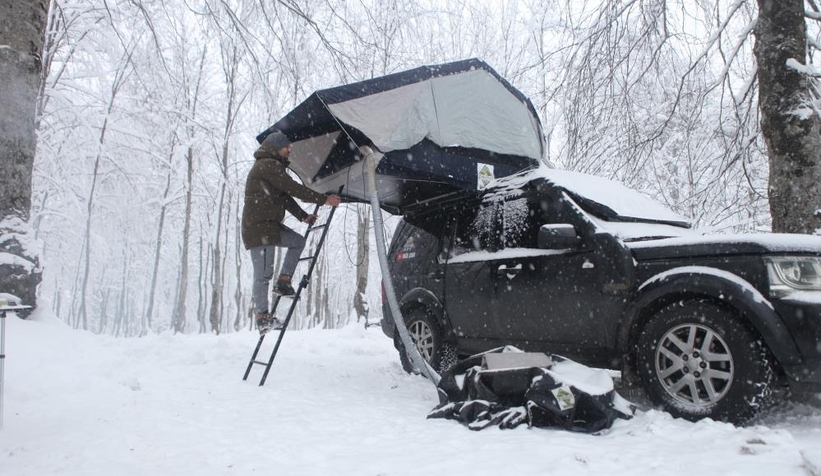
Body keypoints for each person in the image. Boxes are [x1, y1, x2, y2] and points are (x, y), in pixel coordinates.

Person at [241, 131, 341, 333]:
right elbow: (293, 188)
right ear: (277, 147)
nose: (289, 151)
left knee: (297, 241)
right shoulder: (266, 165)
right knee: (263, 275)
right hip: (259, 228)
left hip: (269, 226)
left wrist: (303, 216)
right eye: (287, 147)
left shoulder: (272, 167)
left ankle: (283, 282)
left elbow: (284, 195)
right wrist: (324, 200)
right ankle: (262, 317)